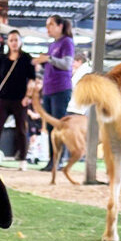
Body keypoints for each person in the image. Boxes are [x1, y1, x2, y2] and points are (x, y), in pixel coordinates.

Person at [0, 29, 35, 170]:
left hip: (20, 100)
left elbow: (31, 80)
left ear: (21, 42)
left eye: (16, 40)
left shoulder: (26, 58)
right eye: (11, 40)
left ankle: (23, 160)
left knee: (21, 129)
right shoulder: (3, 59)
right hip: (3, 99)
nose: (14, 43)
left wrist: (28, 96)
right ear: (8, 42)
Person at [32, 14, 75, 172]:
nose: (47, 28)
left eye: (50, 24)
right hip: (49, 90)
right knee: (50, 127)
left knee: (58, 125)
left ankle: (59, 159)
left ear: (60, 26)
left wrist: (48, 59)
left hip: (61, 89)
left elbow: (67, 64)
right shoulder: (53, 45)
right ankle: (52, 159)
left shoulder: (67, 42)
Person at [66, 51, 92, 115]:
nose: (72, 65)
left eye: (74, 62)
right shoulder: (82, 70)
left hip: (78, 108)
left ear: (79, 61)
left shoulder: (83, 70)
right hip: (78, 107)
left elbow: (72, 85)